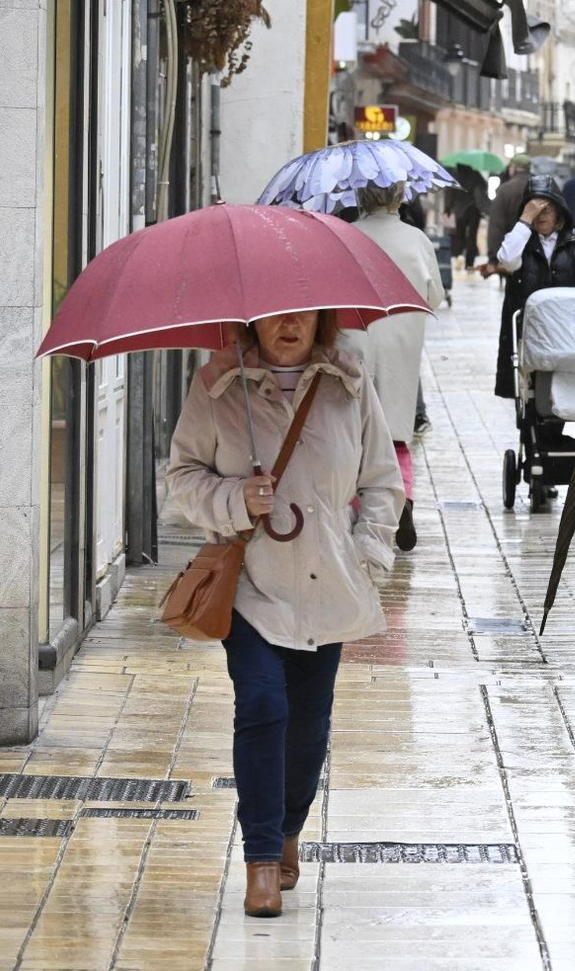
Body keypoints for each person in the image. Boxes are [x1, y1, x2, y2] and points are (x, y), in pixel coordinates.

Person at [167, 310, 402, 919]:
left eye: (303, 313)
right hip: (252, 584)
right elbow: (182, 478)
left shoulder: (349, 382)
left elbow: (382, 479)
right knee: (265, 706)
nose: (289, 325)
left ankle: (291, 825)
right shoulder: (217, 385)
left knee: (308, 728)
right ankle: (262, 859)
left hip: (329, 583)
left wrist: (369, 553)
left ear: (323, 319)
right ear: (253, 320)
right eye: (275, 315)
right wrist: (234, 499)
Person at [341, 181, 446, 552]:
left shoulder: (347, 236)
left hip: (356, 340)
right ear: (401, 197)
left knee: (356, 435)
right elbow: (435, 296)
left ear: (360, 197)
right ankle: (405, 501)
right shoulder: (416, 239)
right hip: (403, 341)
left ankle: (362, 513)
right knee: (397, 434)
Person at [490, 175, 575, 400]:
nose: (540, 216)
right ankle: (533, 434)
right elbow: (507, 260)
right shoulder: (520, 238)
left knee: (560, 389)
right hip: (529, 330)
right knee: (529, 393)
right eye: (533, 210)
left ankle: (551, 434)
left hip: (565, 328)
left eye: (545, 209)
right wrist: (525, 219)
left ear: (558, 210)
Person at [486, 154, 533, 264]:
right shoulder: (538, 186)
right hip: (535, 253)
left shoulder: (504, 190)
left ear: (514, 168)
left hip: (510, 252)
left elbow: (496, 227)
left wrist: (493, 257)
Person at [447, 165, 490, 270]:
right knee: (472, 237)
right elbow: (483, 188)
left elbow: (450, 194)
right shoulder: (476, 175)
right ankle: (469, 263)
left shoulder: (455, 176)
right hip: (473, 210)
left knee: (458, 237)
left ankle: (458, 258)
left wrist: (447, 208)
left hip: (458, 211)